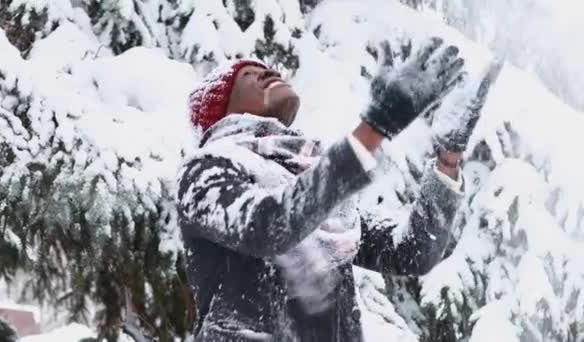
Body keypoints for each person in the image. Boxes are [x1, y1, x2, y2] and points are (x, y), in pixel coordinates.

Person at [177, 37, 502, 341]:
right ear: (220, 110)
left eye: (270, 69)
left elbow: (411, 251)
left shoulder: (313, 190)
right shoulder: (205, 172)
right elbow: (270, 225)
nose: (270, 72)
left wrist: (449, 156)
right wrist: (375, 126)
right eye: (250, 73)